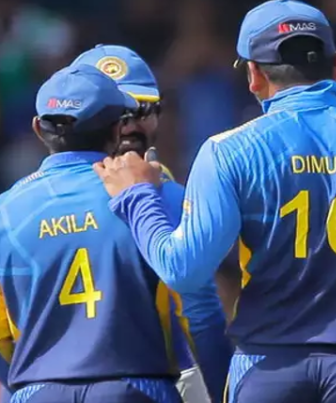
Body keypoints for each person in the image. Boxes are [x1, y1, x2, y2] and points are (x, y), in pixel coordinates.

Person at [92, 0, 336, 403]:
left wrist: (137, 197)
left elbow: (183, 271)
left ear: (254, 75)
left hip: (268, 368)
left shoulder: (227, 150)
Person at [0, 64, 220, 403]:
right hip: (136, 389)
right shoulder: (159, 193)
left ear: (38, 129)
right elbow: (198, 312)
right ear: (118, 128)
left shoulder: (5, 210)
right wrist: (224, 388)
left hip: (37, 391)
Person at [71, 45, 230, 403]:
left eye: (142, 110)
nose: (128, 125)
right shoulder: (168, 196)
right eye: (114, 112)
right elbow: (200, 315)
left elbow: (199, 311)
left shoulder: (173, 191)